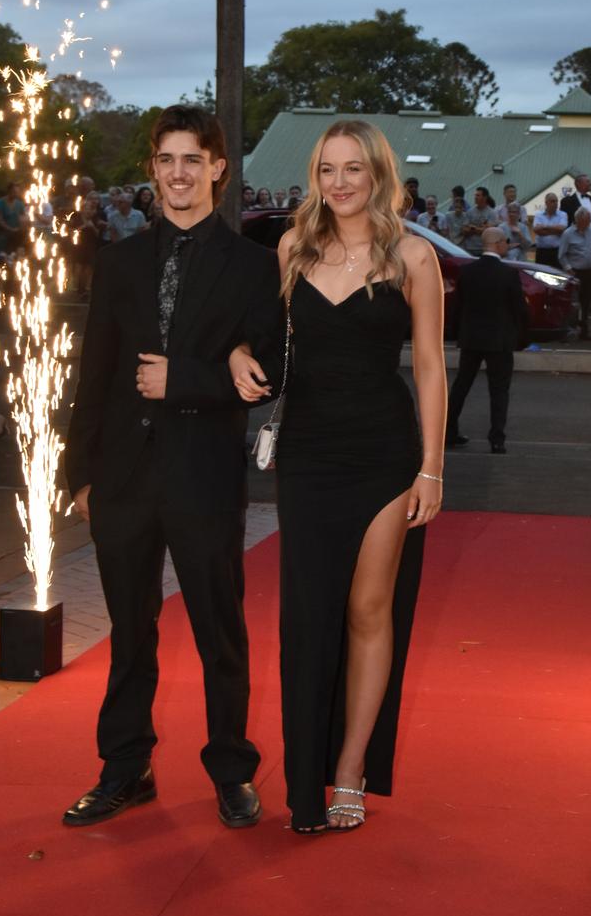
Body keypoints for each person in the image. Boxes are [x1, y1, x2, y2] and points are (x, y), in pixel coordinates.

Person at [63, 105, 283, 830]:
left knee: (220, 631)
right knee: (129, 633)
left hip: (204, 475)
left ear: (219, 167)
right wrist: (80, 476)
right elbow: (93, 371)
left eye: (194, 159)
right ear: (152, 168)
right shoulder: (121, 259)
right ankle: (126, 769)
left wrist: (184, 379)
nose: (179, 173)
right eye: (166, 160)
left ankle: (231, 770)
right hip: (123, 479)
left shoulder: (253, 265)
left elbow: (269, 372)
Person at [229, 119, 446, 832]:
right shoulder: (293, 247)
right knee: (306, 616)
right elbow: (266, 337)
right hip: (308, 455)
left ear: (379, 176)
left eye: (355, 169)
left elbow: (429, 367)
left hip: (384, 452)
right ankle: (303, 782)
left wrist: (432, 468)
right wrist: (236, 355)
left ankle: (349, 766)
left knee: (367, 610)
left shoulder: (413, 256)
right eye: (328, 169)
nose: (341, 182)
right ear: (315, 178)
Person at [446, 227, 528, 454]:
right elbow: (519, 309)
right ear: (499, 243)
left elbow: (458, 306)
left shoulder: (468, 272)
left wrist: (457, 333)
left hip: (472, 338)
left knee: (461, 385)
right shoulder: (508, 274)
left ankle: (449, 431)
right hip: (500, 340)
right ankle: (497, 439)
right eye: (505, 242)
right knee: (499, 390)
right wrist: (521, 337)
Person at [558, 206, 591, 339]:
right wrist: (568, 269)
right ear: (578, 220)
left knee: (586, 302)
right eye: (587, 220)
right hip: (575, 273)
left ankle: (584, 331)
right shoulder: (568, 234)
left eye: (589, 220)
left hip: (590, 272)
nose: (589, 222)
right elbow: (561, 255)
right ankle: (569, 330)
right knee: (573, 303)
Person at [0, 182, 26, 259]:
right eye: (14, 192)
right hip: (1, 235)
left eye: (17, 192)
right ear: (9, 191)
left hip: (14, 236)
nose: (16, 194)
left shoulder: (20, 204)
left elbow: (22, 218)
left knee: (13, 258)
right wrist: (11, 229)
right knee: (1, 258)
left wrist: (22, 228)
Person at [533, 193, 567, 269]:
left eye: (556, 201)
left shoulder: (562, 214)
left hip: (557, 252)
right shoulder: (538, 215)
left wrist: (545, 226)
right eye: (552, 201)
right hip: (542, 252)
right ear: (546, 203)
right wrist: (555, 231)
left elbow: (562, 229)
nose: (555, 203)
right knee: (539, 276)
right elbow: (537, 230)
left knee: (557, 276)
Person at [462, 187, 498, 256]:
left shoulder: (491, 213)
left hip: (484, 249)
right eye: (475, 195)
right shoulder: (470, 212)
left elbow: (488, 231)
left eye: (478, 195)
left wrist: (473, 228)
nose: (475, 197)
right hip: (469, 248)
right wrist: (479, 229)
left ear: (484, 197)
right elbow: (464, 230)